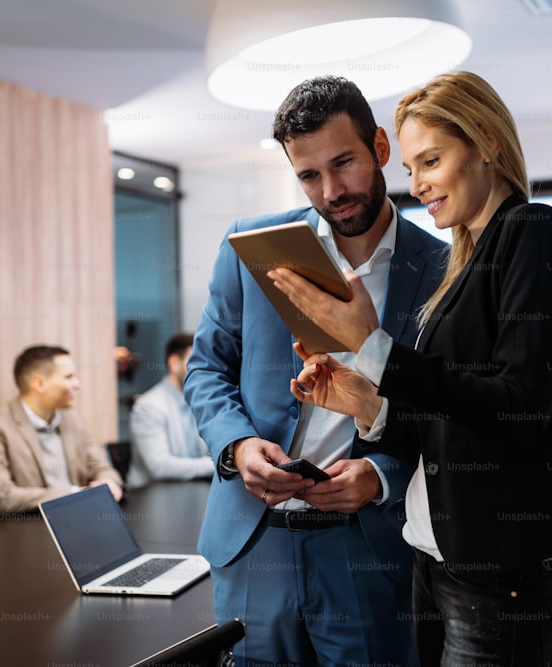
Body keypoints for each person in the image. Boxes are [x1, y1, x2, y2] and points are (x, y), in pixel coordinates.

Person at [269, 71, 552, 666]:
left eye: (431, 161)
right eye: (410, 169)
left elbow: (519, 409)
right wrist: (366, 404)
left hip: (503, 569)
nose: (418, 184)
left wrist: (372, 346)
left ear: (487, 145)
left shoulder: (533, 231)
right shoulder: (464, 262)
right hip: (439, 554)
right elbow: (451, 423)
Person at [184, 76, 448, 666]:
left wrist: (382, 475)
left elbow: (446, 412)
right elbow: (205, 370)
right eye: (308, 175)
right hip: (254, 541)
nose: (331, 191)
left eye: (344, 163)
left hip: (368, 546)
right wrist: (238, 444)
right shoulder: (252, 245)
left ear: (381, 148)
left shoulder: (441, 269)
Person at [0, 345, 123, 522]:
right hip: (18, 531)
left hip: (75, 521)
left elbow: (102, 468)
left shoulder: (72, 419)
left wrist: (109, 483)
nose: (78, 384)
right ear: (39, 384)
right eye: (69, 377)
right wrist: (73, 493)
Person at [127, 333, 215, 488]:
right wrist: (217, 465)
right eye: (195, 361)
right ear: (175, 364)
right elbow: (160, 466)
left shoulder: (199, 401)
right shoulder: (148, 406)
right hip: (151, 495)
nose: (203, 369)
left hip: (191, 488)